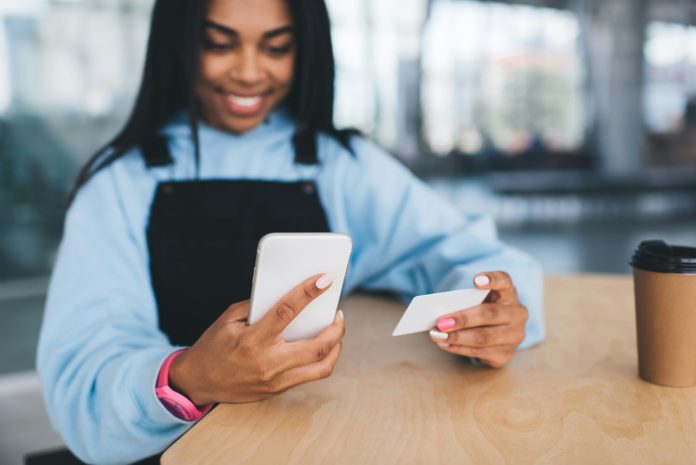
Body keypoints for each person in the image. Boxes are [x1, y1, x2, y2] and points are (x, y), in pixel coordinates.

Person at [37, 0, 545, 463]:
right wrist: (190, 378)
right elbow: (85, 369)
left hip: (320, 443)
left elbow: (464, 252)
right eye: (218, 44)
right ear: (177, 44)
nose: (250, 72)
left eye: (277, 47)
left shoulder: (339, 165)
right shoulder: (120, 182)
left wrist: (492, 313)